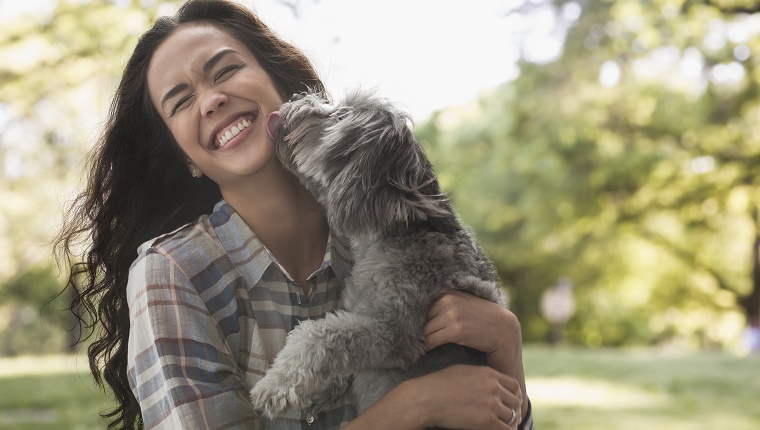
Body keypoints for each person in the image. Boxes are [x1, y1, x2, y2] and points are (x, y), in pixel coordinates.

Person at [55, 0, 534, 429]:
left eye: (224, 71)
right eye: (181, 101)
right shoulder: (172, 274)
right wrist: (411, 407)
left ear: (281, 85)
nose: (211, 99)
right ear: (185, 159)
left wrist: (505, 347)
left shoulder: (384, 231)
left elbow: (490, 413)